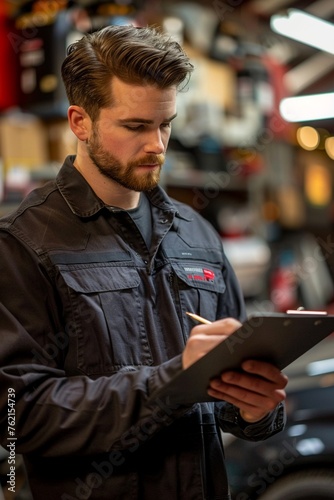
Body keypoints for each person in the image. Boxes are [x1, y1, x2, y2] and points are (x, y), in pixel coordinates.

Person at [0, 24, 287, 500]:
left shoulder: (197, 236)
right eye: (135, 126)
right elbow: (18, 417)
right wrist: (172, 381)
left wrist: (255, 410)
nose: (157, 144)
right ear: (80, 121)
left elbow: (235, 392)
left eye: (166, 124)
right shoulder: (24, 243)